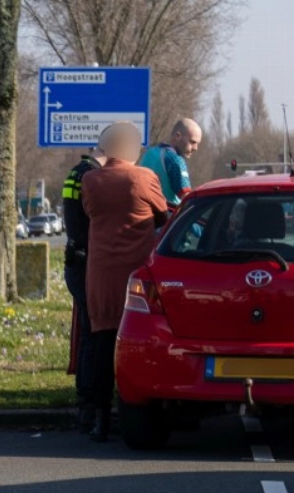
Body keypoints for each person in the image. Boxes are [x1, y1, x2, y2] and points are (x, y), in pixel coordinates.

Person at [82, 122, 170, 441]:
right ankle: (137, 410)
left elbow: (90, 213)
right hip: (136, 277)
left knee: (103, 344)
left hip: (101, 274)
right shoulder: (143, 178)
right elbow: (163, 216)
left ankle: (100, 417)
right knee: (138, 344)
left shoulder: (90, 181)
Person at [61, 145, 107, 432]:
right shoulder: (92, 177)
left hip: (75, 260)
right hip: (87, 262)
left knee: (87, 334)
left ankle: (86, 406)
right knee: (93, 335)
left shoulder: (75, 174)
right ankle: (89, 407)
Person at [137, 118, 201, 209]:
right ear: (178, 136)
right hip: (167, 216)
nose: (196, 148)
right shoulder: (175, 160)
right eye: (192, 142)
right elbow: (187, 199)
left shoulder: (149, 153)